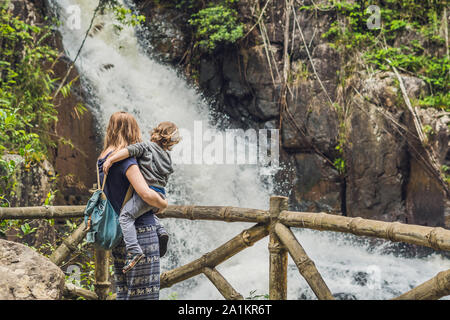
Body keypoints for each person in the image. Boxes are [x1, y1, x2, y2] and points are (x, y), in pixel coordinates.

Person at [97, 111, 167, 300]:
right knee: (145, 295)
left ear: (110, 129)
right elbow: (144, 193)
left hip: (119, 235)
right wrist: (162, 202)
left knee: (124, 291)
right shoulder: (127, 160)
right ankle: (161, 229)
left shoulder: (103, 158)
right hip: (140, 234)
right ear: (132, 130)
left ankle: (160, 229)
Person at [103, 121, 181, 273]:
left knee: (126, 216)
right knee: (146, 209)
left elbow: (128, 151)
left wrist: (111, 159)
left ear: (156, 133)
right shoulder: (167, 157)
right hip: (159, 193)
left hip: (146, 193)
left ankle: (134, 250)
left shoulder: (146, 147)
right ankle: (160, 230)